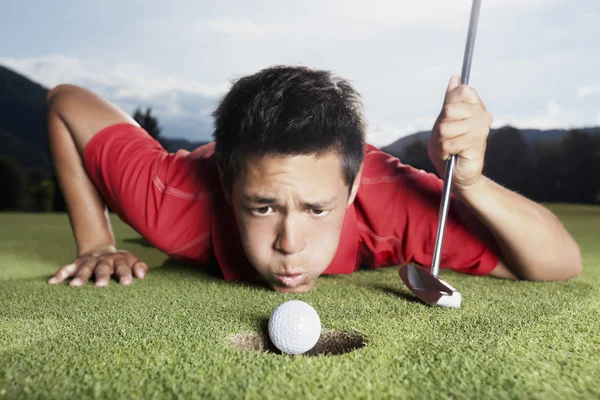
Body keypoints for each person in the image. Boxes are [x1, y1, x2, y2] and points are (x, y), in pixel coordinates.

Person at [46, 65, 582, 293]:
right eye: (262, 207)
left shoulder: (393, 204)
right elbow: (65, 100)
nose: (290, 245)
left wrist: (468, 185)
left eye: (317, 209)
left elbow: (561, 262)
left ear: (352, 191)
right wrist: (96, 241)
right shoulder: (171, 199)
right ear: (228, 184)